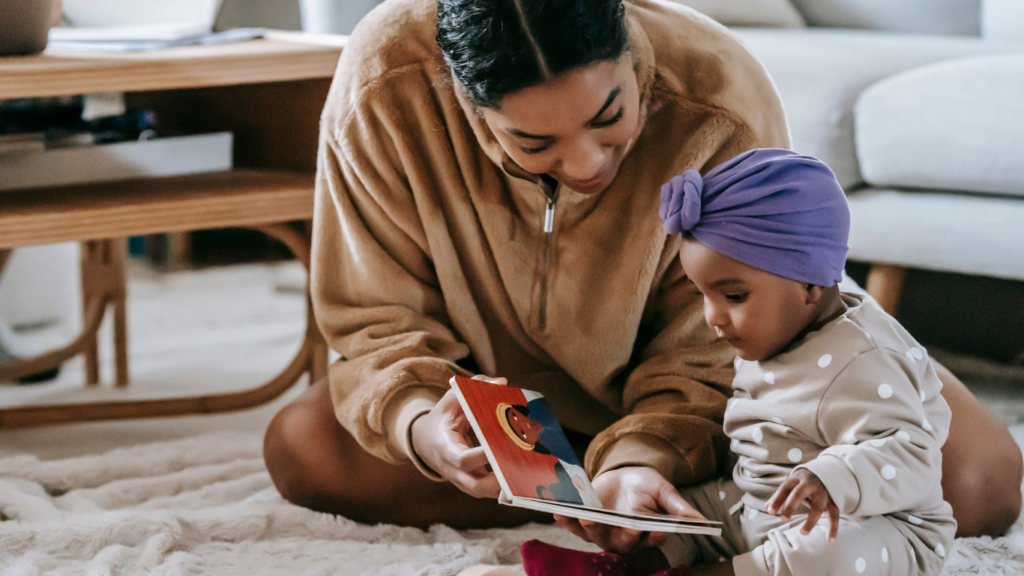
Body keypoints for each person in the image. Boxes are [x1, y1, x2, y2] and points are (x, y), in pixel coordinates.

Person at [262, 0, 1022, 547]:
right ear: (466, 100)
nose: (586, 164)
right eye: (533, 142)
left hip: (725, 393)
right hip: (502, 393)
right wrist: (425, 426)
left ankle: (654, 497)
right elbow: (375, 320)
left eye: (608, 117)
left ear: (628, 41)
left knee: (978, 482)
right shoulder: (384, 82)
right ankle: (655, 511)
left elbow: (721, 344)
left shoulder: (717, 88)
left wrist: (643, 455)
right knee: (305, 448)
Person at [510, 149, 956, 576]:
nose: (712, 317)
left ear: (809, 283)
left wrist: (833, 476)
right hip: (758, 504)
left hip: (867, 523)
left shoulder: (865, 359)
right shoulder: (774, 330)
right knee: (680, 511)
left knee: (823, 555)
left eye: (734, 296)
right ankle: (624, 569)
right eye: (702, 294)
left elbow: (915, 455)